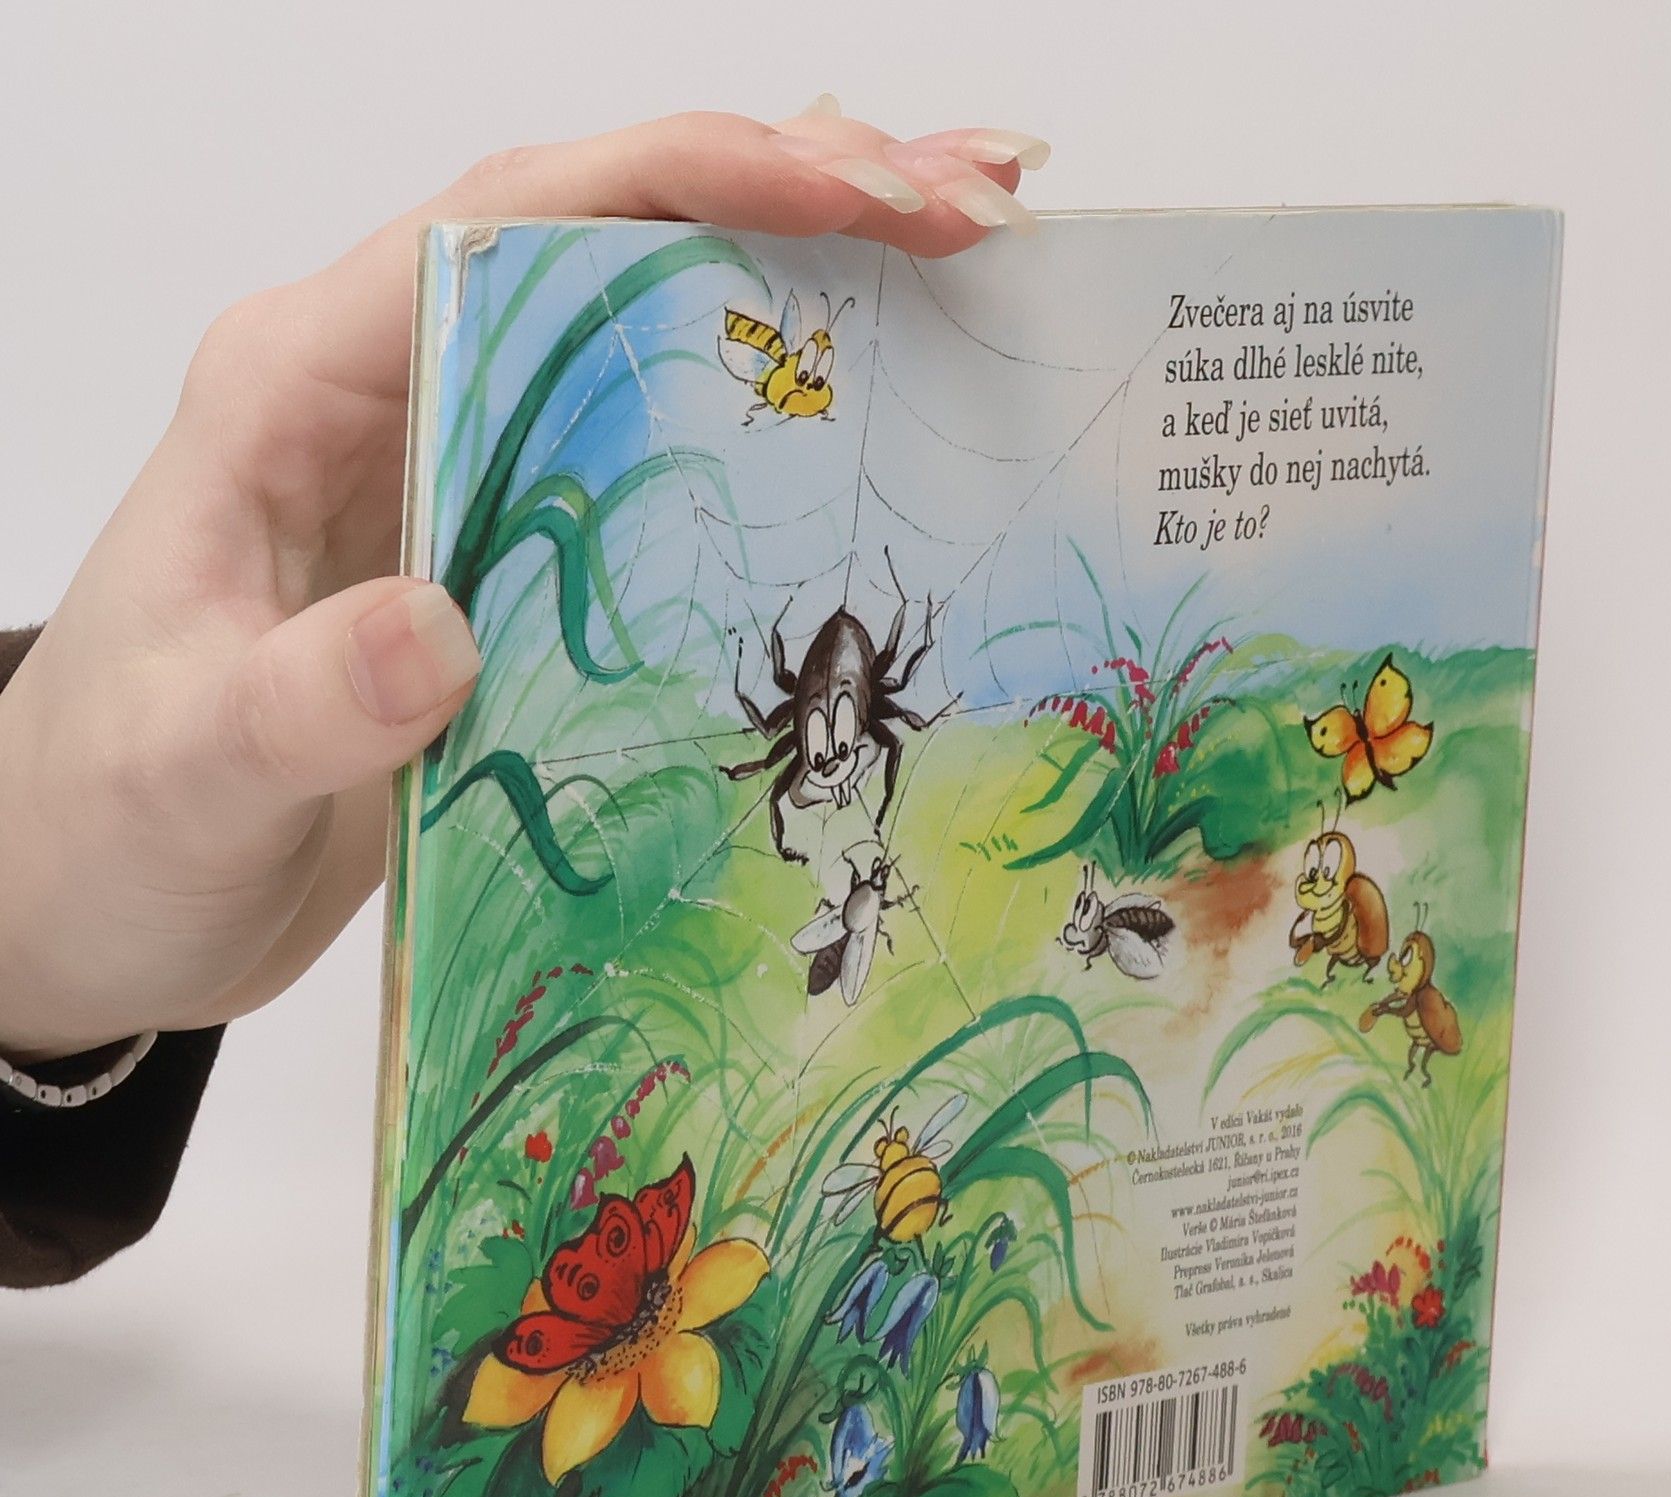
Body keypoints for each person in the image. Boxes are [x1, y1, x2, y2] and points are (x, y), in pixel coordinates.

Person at [0, 102, 1044, 1288]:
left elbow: (855, 714)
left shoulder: (851, 720)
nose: (837, 745)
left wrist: (20, 941)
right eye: (829, 736)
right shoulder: (814, 723)